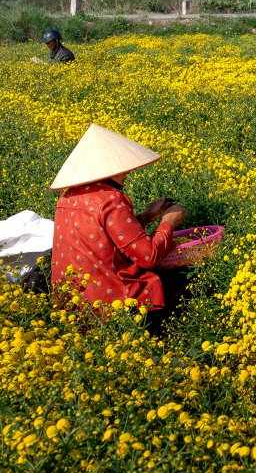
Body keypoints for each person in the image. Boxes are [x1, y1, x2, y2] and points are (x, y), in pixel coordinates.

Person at [49, 123, 190, 334]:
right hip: (110, 302)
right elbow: (149, 256)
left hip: (72, 301)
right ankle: (164, 336)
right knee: (181, 277)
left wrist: (146, 217)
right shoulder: (111, 200)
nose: (127, 172)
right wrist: (168, 222)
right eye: (120, 168)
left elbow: (103, 237)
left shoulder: (66, 197)